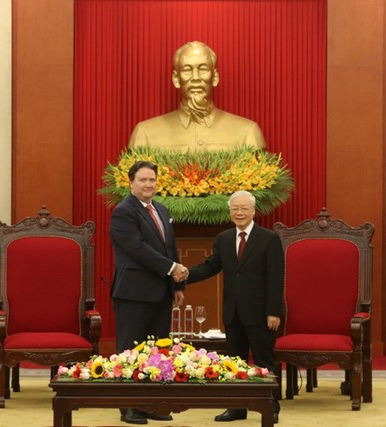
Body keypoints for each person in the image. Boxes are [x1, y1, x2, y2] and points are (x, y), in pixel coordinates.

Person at [181, 190, 284, 424]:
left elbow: (276, 278)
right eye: (235, 209)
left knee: (264, 362)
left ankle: (271, 406)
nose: (239, 213)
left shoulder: (269, 238)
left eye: (244, 208)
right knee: (234, 362)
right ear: (230, 212)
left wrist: (274, 311)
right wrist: (184, 275)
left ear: (253, 211)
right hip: (233, 311)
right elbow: (210, 266)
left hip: (261, 313)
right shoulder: (224, 238)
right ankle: (236, 407)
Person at [109, 160, 187, 425]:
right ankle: (129, 406)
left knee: (156, 351)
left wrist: (177, 285)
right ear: (131, 182)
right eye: (143, 180)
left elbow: (170, 247)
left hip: (160, 293)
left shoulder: (162, 210)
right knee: (131, 351)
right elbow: (137, 248)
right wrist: (172, 267)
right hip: (133, 293)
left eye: (152, 180)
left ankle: (150, 403)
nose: (148, 184)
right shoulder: (123, 212)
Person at [128, 41, 266, 151]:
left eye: (203, 69)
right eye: (187, 70)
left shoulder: (248, 132)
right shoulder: (145, 133)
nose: (195, 78)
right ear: (176, 79)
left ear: (215, 77)